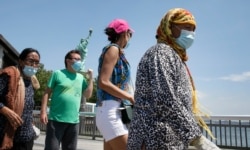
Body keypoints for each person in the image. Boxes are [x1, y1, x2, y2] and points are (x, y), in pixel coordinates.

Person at [127, 8, 221, 150]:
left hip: (168, 141)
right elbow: (165, 99)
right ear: (170, 28)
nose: (191, 34)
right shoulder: (161, 52)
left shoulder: (175, 57)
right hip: (154, 140)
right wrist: (197, 138)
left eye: (193, 30)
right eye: (187, 28)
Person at [40, 50, 94, 150]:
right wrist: (43, 112)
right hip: (56, 120)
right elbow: (46, 93)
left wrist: (91, 78)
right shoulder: (57, 73)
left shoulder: (81, 78)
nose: (79, 62)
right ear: (68, 61)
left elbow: (88, 94)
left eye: (80, 59)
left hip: (74, 122)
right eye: (76, 59)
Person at [96, 18, 135, 150]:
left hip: (112, 110)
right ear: (124, 33)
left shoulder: (117, 51)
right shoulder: (113, 49)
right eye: (130, 34)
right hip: (109, 111)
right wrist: (129, 97)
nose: (130, 38)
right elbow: (103, 82)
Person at [0, 48, 41, 150]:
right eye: (30, 61)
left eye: (37, 62)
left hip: (26, 137)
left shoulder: (31, 80)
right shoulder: (9, 75)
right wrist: (4, 110)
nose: (34, 65)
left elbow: (27, 105)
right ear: (21, 61)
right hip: (7, 135)